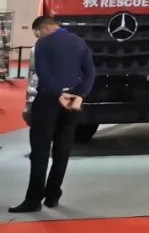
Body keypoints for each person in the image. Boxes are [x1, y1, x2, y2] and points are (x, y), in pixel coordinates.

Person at [8, 16, 95, 214]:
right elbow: (90, 73)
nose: (38, 36)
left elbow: (43, 72)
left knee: (40, 150)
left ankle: (33, 199)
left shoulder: (43, 43)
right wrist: (80, 95)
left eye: (37, 33)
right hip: (72, 101)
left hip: (48, 100)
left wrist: (58, 94)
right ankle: (53, 195)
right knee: (62, 150)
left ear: (45, 28)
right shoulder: (80, 43)